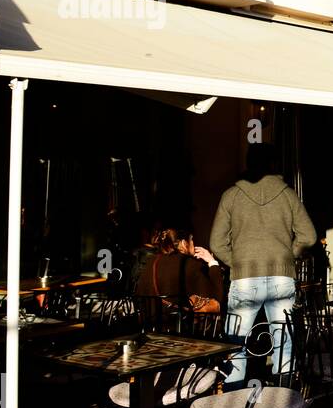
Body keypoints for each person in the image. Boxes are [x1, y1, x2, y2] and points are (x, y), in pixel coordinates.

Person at [210, 144, 317, 387]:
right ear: (273, 165)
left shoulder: (232, 195)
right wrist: (290, 255)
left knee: (236, 341)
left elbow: (216, 242)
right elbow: (309, 236)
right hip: (282, 275)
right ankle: (284, 398)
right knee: (284, 339)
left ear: (248, 164)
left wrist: (236, 261)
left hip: (244, 277)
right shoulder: (288, 194)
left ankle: (234, 401)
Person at [135, 227, 225, 310]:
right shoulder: (190, 264)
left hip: (150, 324)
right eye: (192, 240)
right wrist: (212, 262)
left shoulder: (150, 262)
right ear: (184, 243)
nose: (193, 244)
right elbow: (215, 298)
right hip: (180, 325)